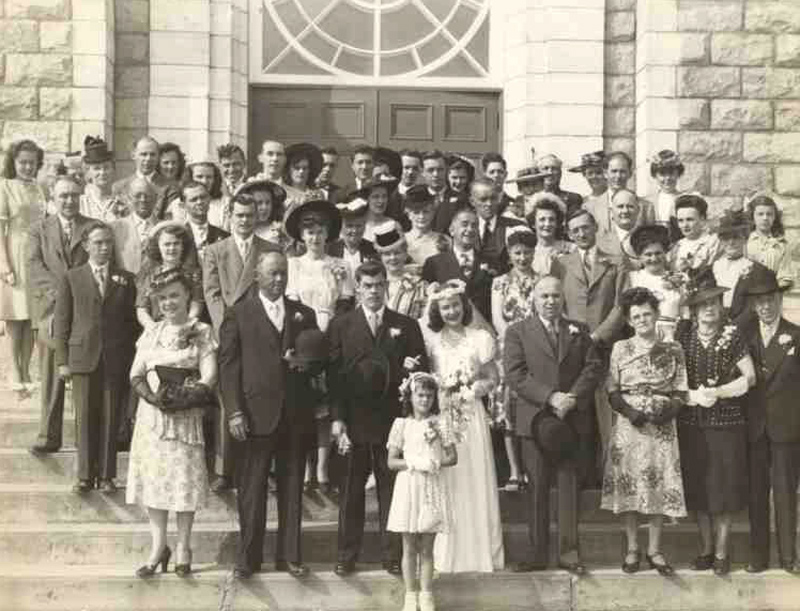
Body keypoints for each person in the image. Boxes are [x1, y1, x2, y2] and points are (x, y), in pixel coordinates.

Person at [219, 252, 319, 579]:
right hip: (254, 414)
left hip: (294, 413)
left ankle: (289, 555)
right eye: (273, 274)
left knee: (292, 487)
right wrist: (234, 411)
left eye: (283, 273)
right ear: (257, 277)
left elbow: (319, 360)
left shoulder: (304, 314)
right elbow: (228, 367)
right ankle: (248, 558)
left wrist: (306, 365)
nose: (279, 279)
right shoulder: (239, 314)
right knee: (252, 489)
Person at [328, 259, 428, 576]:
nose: (374, 291)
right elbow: (334, 378)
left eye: (379, 285)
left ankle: (392, 555)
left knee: (392, 490)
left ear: (387, 286)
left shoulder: (406, 326)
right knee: (351, 490)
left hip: (393, 421)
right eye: (367, 286)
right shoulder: (341, 325)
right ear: (358, 289)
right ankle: (346, 555)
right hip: (354, 420)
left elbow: (421, 374)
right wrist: (338, 419)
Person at [504, 275, 603, 574]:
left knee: (568, 486)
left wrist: (571, 397)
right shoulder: (517, 331)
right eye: (544, 296)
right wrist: (550, 397)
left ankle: (569, 553)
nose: (550, 302)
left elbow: (593, 367)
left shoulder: (579, 331)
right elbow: (515, 374)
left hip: (570, 419)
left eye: (556, 296)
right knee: (537, 488)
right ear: (534, 299)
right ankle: (537, 553)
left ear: (563, 299)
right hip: (535, 419)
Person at [126, 268, 217, 578]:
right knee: (155, 482)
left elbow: (209, 376)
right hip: (154, 421)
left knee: (183, 483)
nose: (168, 302)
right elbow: (135, 373)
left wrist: (188, 396)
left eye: (174, 295)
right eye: (162, 298)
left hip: (185, 419)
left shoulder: (201, 331)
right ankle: (158, 546)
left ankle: (184, 547)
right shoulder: (151, 332)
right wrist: (151, 398)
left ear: (187, 296)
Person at [601, 287, 688, 576]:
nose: (642, 320)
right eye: (636, 316)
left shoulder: (673, 348)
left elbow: (680, 390)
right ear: (628, 319)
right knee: (629, 484)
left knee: (658, 484)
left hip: (662, 427)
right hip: (630, 424)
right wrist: (630, 413)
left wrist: (669, 411)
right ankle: (632, 548)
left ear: (656, 314)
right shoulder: (620, 348)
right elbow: (612, 390)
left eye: (647, 314)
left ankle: (655, 549)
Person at [676, 270, 755, 575]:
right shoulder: (684, 336)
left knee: (723, 490)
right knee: (699, 490)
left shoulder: (732, 335)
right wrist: (692, 395)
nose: (710, 308)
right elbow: (671, 377)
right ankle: (706, 549)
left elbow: (749, 377)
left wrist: (720, 391)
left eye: (715, 302)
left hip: (726, 424)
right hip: (693, 422)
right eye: (703, 303)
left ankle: (722, 551)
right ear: (694, 309)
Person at [423, 280, 503, 573]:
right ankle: (449, 555)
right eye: (445, 307)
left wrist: (473, 390)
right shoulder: (433, 342)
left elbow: (493, 377)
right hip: (445, 416)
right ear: (437, 310)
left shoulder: (479, 337)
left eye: (456, 305)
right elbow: (430, 379)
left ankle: (480, 552)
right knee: (451, 480)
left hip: (472, 416)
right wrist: (444, 392)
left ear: (464, 306)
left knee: (474, 476)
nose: (452, 311)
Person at [53, 221, 138, 493]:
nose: (104, 248)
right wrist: (62, 361)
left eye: (108, 243)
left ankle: (107, 475)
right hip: (83, 356)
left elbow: (131, 323)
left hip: (115, 357)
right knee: (86, 416)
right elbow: (63, 321)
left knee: (111, 416)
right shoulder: (72, 277)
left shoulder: (125, 279)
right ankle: (84, 476)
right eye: (98, 243)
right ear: (87, 246)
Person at [204, 196, 281, 491]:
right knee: (229, 395)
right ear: (230, 215)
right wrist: (227, 327)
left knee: (264, 397)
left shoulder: (270, 250)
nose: (245, 221)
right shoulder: (216, 251)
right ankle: (225, 469)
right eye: (239, 215)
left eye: (250, 215)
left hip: (261, 332)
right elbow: (211, 292)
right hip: (229, 330)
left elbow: (274, 292)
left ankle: (269, 467)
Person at [552, 209, 630, 466]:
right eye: (575, 230)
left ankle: (612, 472)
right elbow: (557, 303)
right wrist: (570, 337)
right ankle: (582, 474)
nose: (581, 234)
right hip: (573, 348)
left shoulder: (615, 261)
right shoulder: (561, 264)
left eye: (585, 227)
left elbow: (622, 305)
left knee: (608, 410)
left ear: (595, 227)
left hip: (605, 346)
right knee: (577, 409)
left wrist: (598, 336)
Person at [741, 267, 800, 574]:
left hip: (787, 427)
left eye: (770, 300)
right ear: (753, 305)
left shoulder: (797, 336)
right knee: (756, 493)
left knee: (786, 492)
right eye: (759, 302)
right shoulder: (743, 338)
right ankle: (759, 556)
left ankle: (789, 557)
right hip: (754, 427)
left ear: (779, 300)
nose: (765, 306)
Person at [29, 176, 94, 454]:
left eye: (74, 195)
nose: (69, 201)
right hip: (51, 310)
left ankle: (86, 438)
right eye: (63, 196)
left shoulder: (93, 228)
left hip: (85, 310)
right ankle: (48, 435)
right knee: (52, 372)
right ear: (53, 199)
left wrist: (76, 298)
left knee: (83, 373)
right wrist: (61, 295)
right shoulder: (38, 230)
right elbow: (34, 265)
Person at [387, 372, 457, 611]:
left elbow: (452, 457)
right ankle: (410, 595)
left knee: (426, 547)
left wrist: (434, 461)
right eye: (420, 395)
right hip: (408, 485)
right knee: (409, 546)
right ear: (411, 396)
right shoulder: (401, 424)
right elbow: (391, 462)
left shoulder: (441, 423)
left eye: (429, 396)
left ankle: (427, 595)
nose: (425, 400)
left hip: (430, 487)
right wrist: (414, 463)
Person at [491, 227, 538, 492]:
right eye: (517, 253)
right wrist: (516, 345)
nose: (522, 258)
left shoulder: (542, 279)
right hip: (508, 349)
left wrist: (533, 345)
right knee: (508, 411)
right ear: (509, 254)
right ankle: (513, 470)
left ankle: (532, 468)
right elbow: (498, 319)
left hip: (536, 349)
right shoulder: (499, 282)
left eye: (527, 252)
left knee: (530, 409)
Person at [0, 139, 46, 393]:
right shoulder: (5, 187)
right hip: (14, 253)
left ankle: (27, 368)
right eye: (23, 162)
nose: (27, 167)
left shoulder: (40, 189)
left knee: (31, 317)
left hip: (36, 255)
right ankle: (14, 370)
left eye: (32, 162)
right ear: (14, 163)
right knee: (14, 316)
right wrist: (4, 264)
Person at [284, 198, 350, 332]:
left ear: (327, 233)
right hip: (304, 328)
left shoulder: (342, 265)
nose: (315, 238)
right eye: (310, 233)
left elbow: (345, 304)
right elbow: (294, 304)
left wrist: (334, 327)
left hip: (335, 328)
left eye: (320, 232)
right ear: (302, 235)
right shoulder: (294, 264)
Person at [422, 207, 493, 323]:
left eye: (474, 225)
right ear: (451, 230)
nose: (470, 229)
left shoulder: (491, 262)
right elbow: (429, 304)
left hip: (484, 328)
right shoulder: (434, 263)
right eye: (464, 224)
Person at [136, 221, 203, 330]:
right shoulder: (149, 274)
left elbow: (197, 303)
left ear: (183, 246)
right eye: (167, 244)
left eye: (176, 243)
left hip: (186, 328)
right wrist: (152, 327)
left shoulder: (192, 274)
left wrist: (185, 325)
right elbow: (141, 309)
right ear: (158, 246)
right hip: (155, 329)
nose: (171, 248)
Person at [628, 225, 682, 341]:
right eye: (648, 254)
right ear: (639, 257)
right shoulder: (633, 279)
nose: (654, 258)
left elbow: (686, 313)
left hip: (675, 336)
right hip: (643, 338)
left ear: (665, 253)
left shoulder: (679, 278)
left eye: (658, 253)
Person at [712, 208, 767, 324]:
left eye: (736, 237)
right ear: (721, 240)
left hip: (744, 323)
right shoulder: (714, 267)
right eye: (726, 238)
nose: (731, 242)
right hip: (716, 321)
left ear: (745, 239)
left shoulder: (754, 269)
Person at [585, 151, 654, 235]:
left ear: (630, 174)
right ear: (606, 173)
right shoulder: (589, 207)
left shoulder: (646, 207)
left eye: (622, 171)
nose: (618, 176)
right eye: (614, 171)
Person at [327, 197, 377, 304]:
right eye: (349, 226)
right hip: (338, 303)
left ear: (364, 226)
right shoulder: (330, 250)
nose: (354, 231)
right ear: (341, 227)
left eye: (358, 226)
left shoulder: (373, 249)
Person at [471, 177, 524, 277]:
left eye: (493, 198)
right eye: (483, 199)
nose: (489, 204)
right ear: (472, 201)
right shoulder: (465, 229)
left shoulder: (516, 226)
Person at [374, 223, 428, 320]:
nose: (393, 258)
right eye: (387, 254)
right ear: (380, 257)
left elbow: (425, 320)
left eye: (397, 253)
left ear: (405, 253)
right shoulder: (372, 283)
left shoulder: (419, 285)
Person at [112, 136, 173, 218]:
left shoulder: (169, 188)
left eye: (153, 154)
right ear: (133, 155)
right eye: (143, 154)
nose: (148, 159)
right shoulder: (119, 187)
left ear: (158, 157)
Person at [110, 178, 158, 276]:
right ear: (128, 199)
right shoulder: (114, 228)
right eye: (137, 196)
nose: (143, 200)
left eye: (147, 196)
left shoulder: (164, 227)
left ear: (155, 198)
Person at [745, 194, 794, 289]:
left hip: (772, 296)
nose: (765, 218)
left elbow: (785, 276)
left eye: (769, 214)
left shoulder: (781, 245)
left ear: (775, 217)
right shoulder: (745, 242)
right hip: (746, 296)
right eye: (760, 214)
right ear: (752, 217)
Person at [669, 193, 721, 273]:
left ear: (702, 219)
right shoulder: (677, 246)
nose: (685, 225)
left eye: (690, 220)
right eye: (681, 220)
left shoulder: (712, 243)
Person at [526, 192, 575, 276]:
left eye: (551, 219)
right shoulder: (527, 252)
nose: (547, 224)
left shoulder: (571, 249)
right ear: (533, 223)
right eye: (542, 219)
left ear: (557, 222)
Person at [80, 136, 126, 221]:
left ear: (113, 170)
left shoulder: (123, 203)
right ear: (88, 173)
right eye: (96, 168)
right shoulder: (81, 204)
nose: (102, 172)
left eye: (106, 167)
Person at [183, 181, 230, 264]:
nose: (199, 202)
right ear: (184, 206)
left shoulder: (225, 237)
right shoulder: (179, 235)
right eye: (193, 199)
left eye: (203, 197)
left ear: (209, 199)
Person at [422, 151, 468, 234]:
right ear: (423, 172)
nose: (436, 174)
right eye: (430, 170)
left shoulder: (462, 199)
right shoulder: (414, 197)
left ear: (446, 170)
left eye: (440, 169)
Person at [404, 185, 449, 266]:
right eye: (416, 212)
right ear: (408, 214)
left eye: (426, 212)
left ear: (433, 212)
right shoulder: (401, 241)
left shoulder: (445, 241)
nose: (421, 217)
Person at [596, 188, 642, 263]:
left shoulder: (650, 239)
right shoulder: (599, 243)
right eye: (620, 206)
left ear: (638, 210)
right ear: (611, 211)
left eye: (630, 206)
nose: (625, 211)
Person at [234, 180, 286, 246]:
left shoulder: (277, 231)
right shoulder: (240, 230)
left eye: (268, 202)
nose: (264, 207)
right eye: (259, 203)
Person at [649, 150, 684, 242]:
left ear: (678, 174)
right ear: (655, 175)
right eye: (662, 174)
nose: (667, 178)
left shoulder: (685, 200)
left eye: (671, 173)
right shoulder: (647, 202)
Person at [283, 142, 325, 214]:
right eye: (297, 168)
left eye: (305, 168)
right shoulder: (282, 192)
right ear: (289, 169)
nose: (301, 172)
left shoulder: (318, 194)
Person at [216, 143, 248, 231]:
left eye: (236, 164)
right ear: (220, 166)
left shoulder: (252, 186)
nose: (231, 170)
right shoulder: (216, 188)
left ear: (244, 163)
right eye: (226, 165)